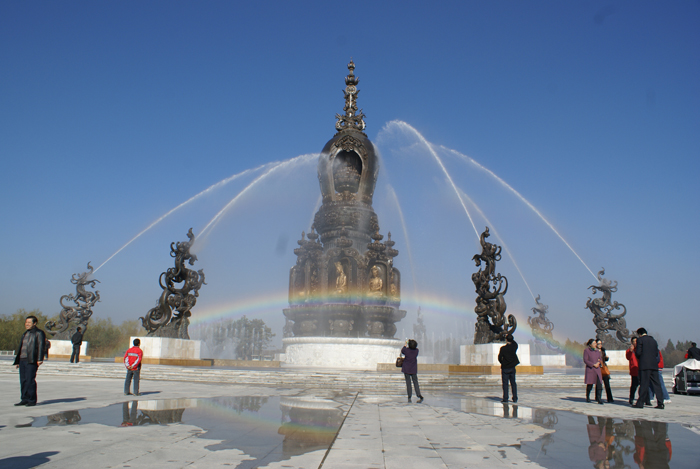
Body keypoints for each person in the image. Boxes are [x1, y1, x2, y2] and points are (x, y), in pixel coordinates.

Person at [13, 315, 46, 407]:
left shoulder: (39, 333)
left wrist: (39, 359)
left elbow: (41, 346)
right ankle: (24, 399)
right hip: (22, 360)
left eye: (29, 322)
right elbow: (21, 348)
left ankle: (31, 400)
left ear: (34, 323)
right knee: (23, 380)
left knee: (29, 380)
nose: (26, 324)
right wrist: (17, 361)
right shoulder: (25, 333)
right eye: (26, 322)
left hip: (31, 360)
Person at [634, 327, 664, 409]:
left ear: (639, 334)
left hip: (644, 366)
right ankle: (661, 403)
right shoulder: (653, 341)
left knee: (644, 384)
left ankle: (640, 403)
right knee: (657, 384)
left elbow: (638, 353)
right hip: (654, 365)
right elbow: (656, 353)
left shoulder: (640, 340)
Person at [498, 334, 519, 403]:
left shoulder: (503, 348)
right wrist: (510, 337)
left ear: (506, 340)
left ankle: (505, 398)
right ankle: (515, 398)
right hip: (512, 367)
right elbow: (515, 343)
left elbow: (499, 358)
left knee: (505, 384)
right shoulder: (514, 347)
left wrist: (503, 363)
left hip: (505, 368)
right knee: (513, 383)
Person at [584, 338, 604, 404]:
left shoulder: (597, 351)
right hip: (591, 369)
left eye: (596, 343)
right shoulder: (586, 351)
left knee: (599, 385)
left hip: (597, 370)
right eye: (594, 343)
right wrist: (593, 365)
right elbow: (585, 360)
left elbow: (600, 359)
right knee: (590, 385)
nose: (595, 344)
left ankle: (599, 399)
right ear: (590, 344)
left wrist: (599, 363)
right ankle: (588, 397)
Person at [626, 337, 640, 406]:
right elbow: (628, 357)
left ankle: (643, 399)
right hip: (634, 371)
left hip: (640, 369)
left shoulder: (640, 350)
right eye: (633, 341)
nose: (635, 343)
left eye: (636, 341)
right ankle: (631, 398)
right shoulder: (629, 351)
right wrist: (631, 351)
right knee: (634, 386)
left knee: (642, 386)